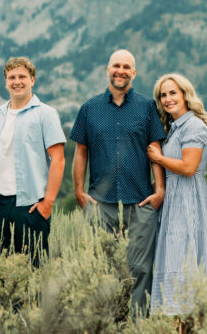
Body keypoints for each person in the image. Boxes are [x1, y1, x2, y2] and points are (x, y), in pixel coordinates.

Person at [70, 49, 166, 317]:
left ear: (133, 73)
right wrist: (79, 191)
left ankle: (138, 324)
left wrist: (160, 190)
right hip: (100, 203)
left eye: (126, 67)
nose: (120, 71)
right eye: (116, 66)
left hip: (141, 200)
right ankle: (106, 322)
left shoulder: (147, 107)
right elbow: (80, 152)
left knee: (141, 268)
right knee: (100, 267)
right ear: (107, 70)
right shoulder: (89, 108)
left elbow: (154, 147)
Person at [0, 57, 66, 266]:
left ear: (32, 80)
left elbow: (58, 160)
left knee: (33, 271)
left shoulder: (45, 114)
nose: (17, 81)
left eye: (22, 76)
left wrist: (48, 203)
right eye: (12, 77)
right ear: (6, 82)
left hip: (31, 206)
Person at [146, 74, 207, 317]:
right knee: (173, 259)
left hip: (188, 200)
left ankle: (185, 320)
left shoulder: (194, 125)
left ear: (185, 94)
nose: (167, 99)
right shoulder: (174, 128)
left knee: (183, 260)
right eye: (163, 95)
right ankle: (173, 321)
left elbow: (188, 167)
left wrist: (158, 158)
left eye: (172, 93)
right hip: (174, 200)